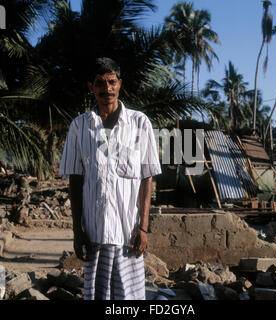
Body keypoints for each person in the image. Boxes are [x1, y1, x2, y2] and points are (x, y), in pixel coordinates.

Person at [58, 57, 161, 300]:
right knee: (97, 295)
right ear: (91, 87)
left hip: (128, 233)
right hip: (94, 234)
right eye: (100, 83)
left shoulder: (139, 123)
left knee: (129, 298)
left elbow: (147, 177)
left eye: (112, 82)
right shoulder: (79, 126)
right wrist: (77, 231)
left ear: (120, 83)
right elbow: (75, 179)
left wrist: (143, 227)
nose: (107, 89)